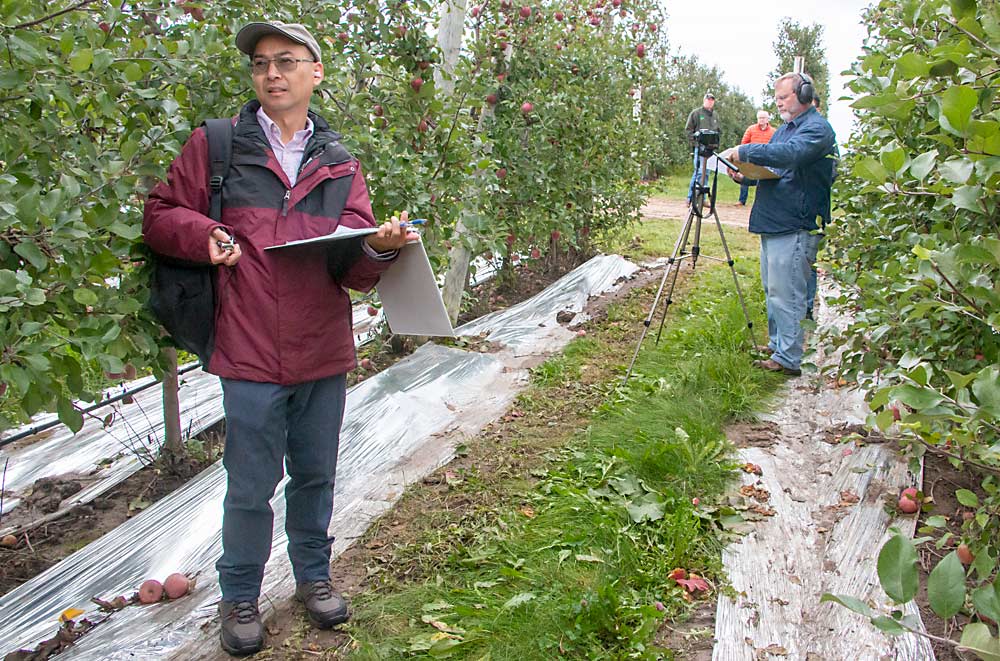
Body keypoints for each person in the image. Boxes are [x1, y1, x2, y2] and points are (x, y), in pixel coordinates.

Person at [143, 20, 415, 656]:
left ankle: (313, 578)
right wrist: (201, 237)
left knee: (316, 474)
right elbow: (160, 215)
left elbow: (351, 271)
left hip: (321, 346)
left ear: (313, 73)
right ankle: (239, 594)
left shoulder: (341, 165)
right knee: (249, 483)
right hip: (249, 348)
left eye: (286, 61)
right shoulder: (217, 147)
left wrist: (377, 248)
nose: (272, 73)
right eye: (261, 63)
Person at [721, 72, 836, 376]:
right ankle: (778, 344)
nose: (779, 103)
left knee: (789, 293)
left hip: (796, 222)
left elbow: (791, 156)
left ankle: (788, 357)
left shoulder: (817, 129)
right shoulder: (787, 128)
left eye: (783, 97)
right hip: (775, 219)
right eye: (777, 98)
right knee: (774, 289)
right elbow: (775, 166)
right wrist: (746, 174)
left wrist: (745, 150)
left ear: (804, 94)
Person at [684, 92, 721, 206]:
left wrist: (716, 143)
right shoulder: (696, 113)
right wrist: (696, 143)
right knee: (699, 172)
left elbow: (719, 131)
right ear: (704, 100)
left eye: (712, 100)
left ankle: (702, 198)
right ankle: (691, 197)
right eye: (708, 99)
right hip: (700, 148)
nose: (710, 101)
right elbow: (688, 130)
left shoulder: (715, 115)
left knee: (707, 172)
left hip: (710, 149)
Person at [737, 110, 775, 206]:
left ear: (767, 119)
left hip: (766, 158)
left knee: (764, 180)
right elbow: (744, 143)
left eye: (763, 118)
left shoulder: (773, 131)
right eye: (759, 118)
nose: (761, 120)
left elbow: (776, 146)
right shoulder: (751, 129)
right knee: (745, 177)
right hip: (751, 157)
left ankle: (762, 202)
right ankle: (742, 200)